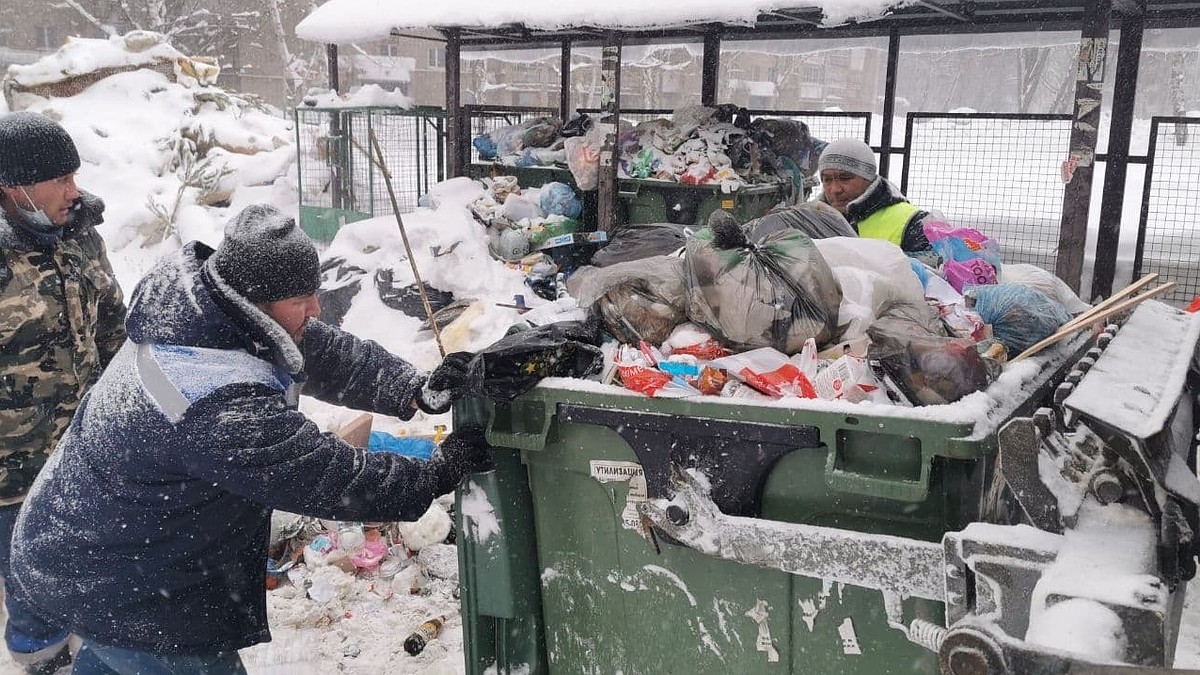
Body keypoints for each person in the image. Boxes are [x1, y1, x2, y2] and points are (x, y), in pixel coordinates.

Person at [8, 204, 488, 674]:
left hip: (93, 549)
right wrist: (433, 474)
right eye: (302, 299)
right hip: (122, 583)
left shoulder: (205, 307)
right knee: (152, 655)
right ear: (255, 302)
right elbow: (322, 475)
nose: (316, 307)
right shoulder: (207, 398)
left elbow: (320, 350)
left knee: (118, 658)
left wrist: (413, 390)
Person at [0, 111, 127, 673]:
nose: (75, 190)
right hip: (11, 464)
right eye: (61, 180)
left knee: (95, 561)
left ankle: (93, 649)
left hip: (85, 445)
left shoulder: (80, 234)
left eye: (75, 176)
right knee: (29, 576)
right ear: (14, 187)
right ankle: (41, 659)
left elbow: (114, 327)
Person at [816, 137, 936, 258]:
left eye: (845, 178)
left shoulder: (914, 222)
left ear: (868, 179)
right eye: (827, 180)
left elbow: (932, 271)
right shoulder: (810, 218)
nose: (835, 189)